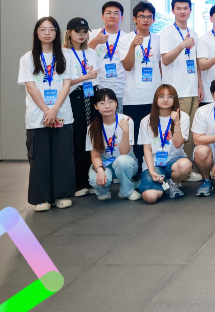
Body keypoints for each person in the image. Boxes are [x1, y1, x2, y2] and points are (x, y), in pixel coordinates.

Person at [19, 16, 76, 211]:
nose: (47, 33)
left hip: (62, 114)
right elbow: (30, 87)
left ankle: (62, 195)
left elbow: (67, 84)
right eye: (43, 29)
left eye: (51, 29)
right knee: (39, 159)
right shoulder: (27, 58)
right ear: (36, 32)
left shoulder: (66, 55)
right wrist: (46, 111)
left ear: (57, 32)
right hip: (38, 117)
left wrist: (54, 110)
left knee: (63, 156)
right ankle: (41, 198)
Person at [160, 0, 204, 161]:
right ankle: (177, 164)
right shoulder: (167, 33)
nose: (182, 11)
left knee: (193, 130)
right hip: (177, 89)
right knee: (179, 129)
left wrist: (200, 85)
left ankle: (189, 164)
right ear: (172, 10)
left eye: (186, 8)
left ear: (190, 10)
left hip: (192, 89)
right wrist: (181, 45)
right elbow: (165, 60)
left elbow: (196, 61)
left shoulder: (194, 33)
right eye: (178, 8)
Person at [120, 2, 163, 168]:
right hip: (134, 97)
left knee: (154, 135)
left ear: (153, 20)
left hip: (154, 96)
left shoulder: (158, 39)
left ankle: (152, 169)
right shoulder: (125, 40)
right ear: (134, 19)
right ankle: (137, 170)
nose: (145, 20)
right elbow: (127, 66)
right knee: (136, 136)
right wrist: (133, 46)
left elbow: (161, 67)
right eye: (142, 16)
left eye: (149, 17)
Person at [137, 84, 191, 203]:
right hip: (154, 163)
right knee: (150, 197)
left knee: (185, 165)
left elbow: (177, 144)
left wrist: (176, 123)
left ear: (175, 99)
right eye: (161, 96)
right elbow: (147, 149)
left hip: (174, 161)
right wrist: (151, 171)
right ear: (156, 99)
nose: (165, 100)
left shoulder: (183, 117)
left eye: (170, 96)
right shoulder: (146, 120)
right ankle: (160, 184)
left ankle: (173, 183)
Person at [63, 17, 99, 197]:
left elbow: (96, 77)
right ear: (69, 33)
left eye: (85, 32)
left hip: (91, 95)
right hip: (74, 97)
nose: (82, 35)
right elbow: (64, 83)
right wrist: (85, 77)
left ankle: (90, 179)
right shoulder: (63, 53)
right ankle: (78, 183)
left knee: (92, 138)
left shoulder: (91, 52)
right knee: (77, 139)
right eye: (77, 31)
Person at [86, 88, 140, 201]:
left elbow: (124, 152)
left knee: (122, 161)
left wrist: (125, 131)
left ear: (116, 103)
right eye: (102, 103)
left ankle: (126, 190)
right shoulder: (92, 127)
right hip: (105, 162)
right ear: (96, 106)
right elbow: (95, 156)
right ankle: (102, 190)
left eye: (110, 101)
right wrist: (100, 169)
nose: (107, 106)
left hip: (126, 161)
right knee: (95, 179)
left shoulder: (126, 120)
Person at [87, 1, 130, 115]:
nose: (112, 16)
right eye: (108, 13)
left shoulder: (127, 38)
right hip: (98, 88)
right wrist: (95, 41)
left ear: (122, 18)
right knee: (98, 123)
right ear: (102, 17)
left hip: (120, 89)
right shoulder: (92, 34)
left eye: (116, 13)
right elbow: (82, 55)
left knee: (119, 122)